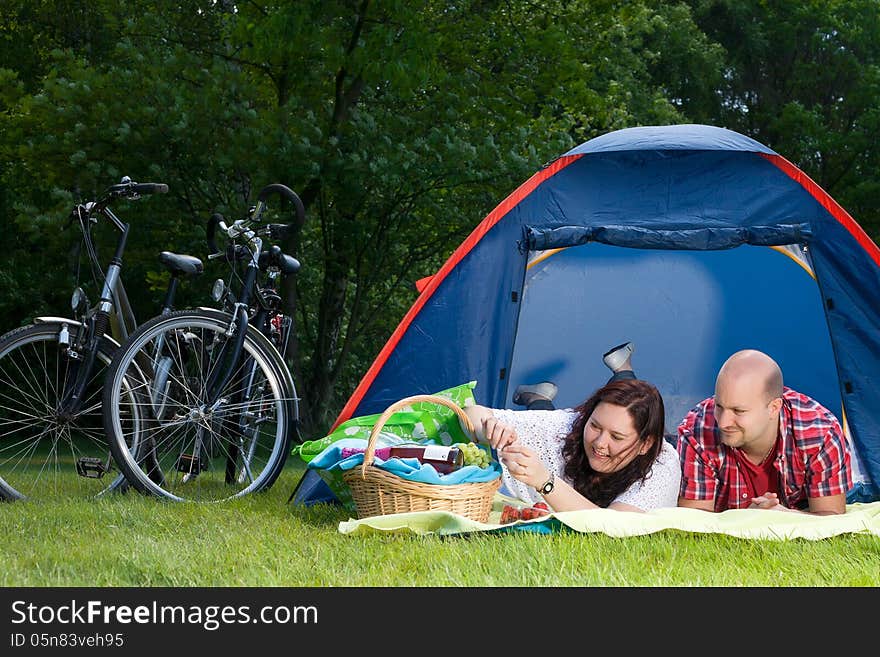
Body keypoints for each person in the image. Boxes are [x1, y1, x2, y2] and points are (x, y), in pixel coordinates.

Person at [463, 342, 681, 512]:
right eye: (595, 426)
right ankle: (538, 399)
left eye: (616, 437)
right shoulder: (571, 424)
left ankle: (538, 397)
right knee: (549, 422)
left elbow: (613, 527)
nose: (600, 443)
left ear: (646, 444)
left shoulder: (661, 465)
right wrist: (489, 428)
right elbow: (471, 414)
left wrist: (545, 481)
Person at [677, 349, 852, 515]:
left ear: (774, 408)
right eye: (719, 406)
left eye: (738, 411)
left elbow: (831, 521)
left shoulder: (819, 433)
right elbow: (693, 525)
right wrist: (747, 519)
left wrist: (785, 517)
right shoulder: (696, 431)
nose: (722, 422)